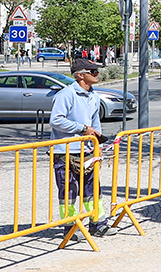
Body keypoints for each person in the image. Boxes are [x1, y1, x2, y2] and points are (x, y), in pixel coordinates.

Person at [49, 58, 117, 240]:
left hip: (87, 150)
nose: (97, 74)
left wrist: (99, 145)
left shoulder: (94, 95)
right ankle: (70, 228)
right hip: (65, 152)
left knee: (92, 188)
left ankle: (98, 224)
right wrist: (81, 128)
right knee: (68, 191)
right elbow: (56, 120)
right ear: (80, 75)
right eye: (92, 71)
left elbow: (95, 123)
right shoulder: (66, 95)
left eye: (97, 70)